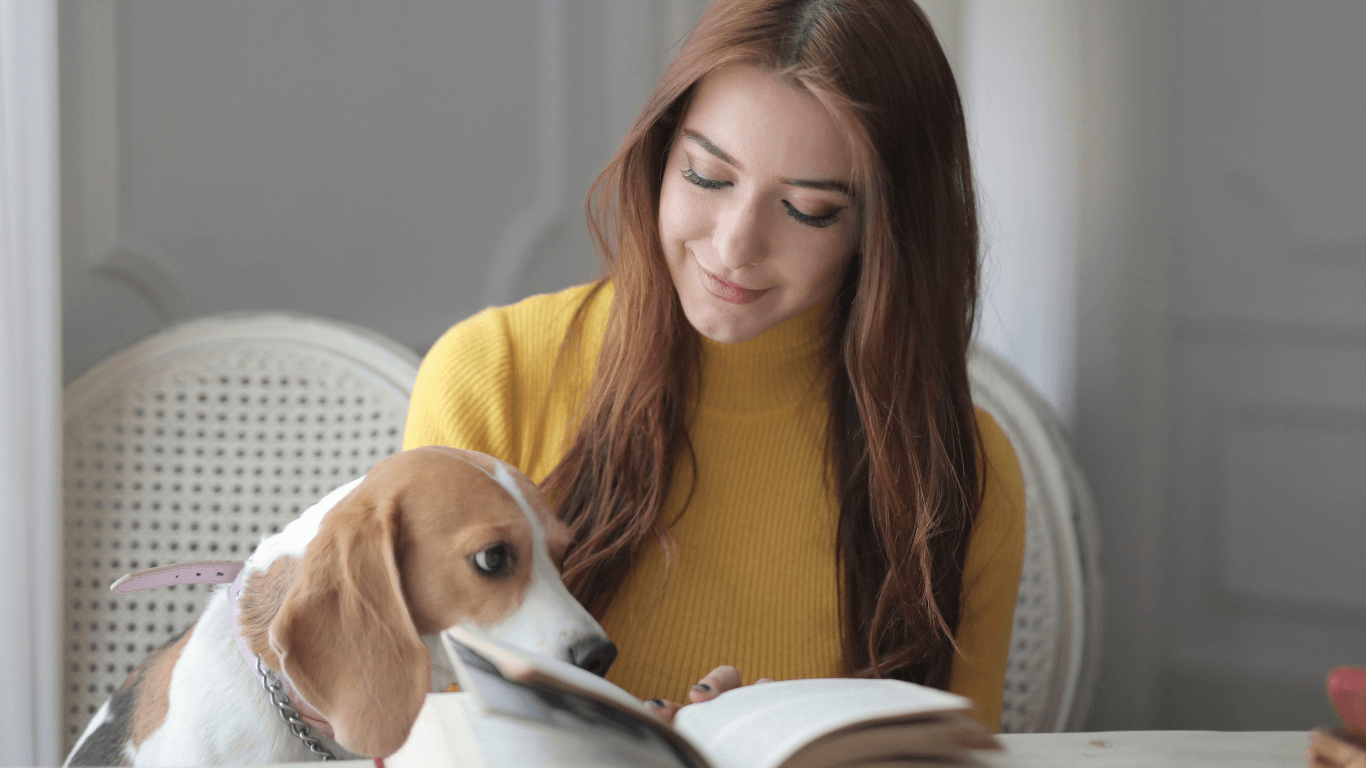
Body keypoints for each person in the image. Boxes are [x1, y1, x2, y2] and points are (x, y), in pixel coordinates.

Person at [403, 0, 1025, 731]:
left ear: (884, 233)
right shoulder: (494, 375)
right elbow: (429, 734)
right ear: (662, 153)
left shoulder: (963, 469)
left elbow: (950, 753)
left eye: (807, 210)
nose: (734, 247)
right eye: (706, 176)